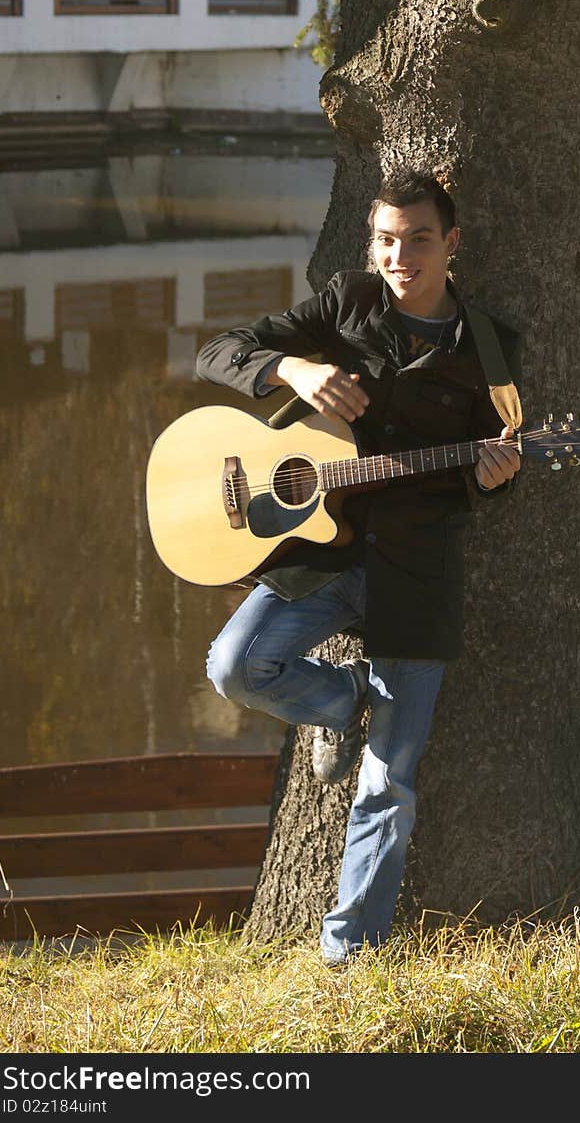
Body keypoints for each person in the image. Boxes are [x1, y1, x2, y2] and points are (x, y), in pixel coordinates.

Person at [196, 168, 521, 964]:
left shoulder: (491, 346)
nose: (400, 254)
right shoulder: (347, 303)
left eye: (418, 238)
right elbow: (217, 352)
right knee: (235, 665)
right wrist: (293, 370)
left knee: (387, 784)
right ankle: (341, 702)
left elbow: (501, 464)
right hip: (323, 555)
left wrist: (497, 477)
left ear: (451, 242)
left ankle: (347, 959)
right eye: (386, 238)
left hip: (418, 571)